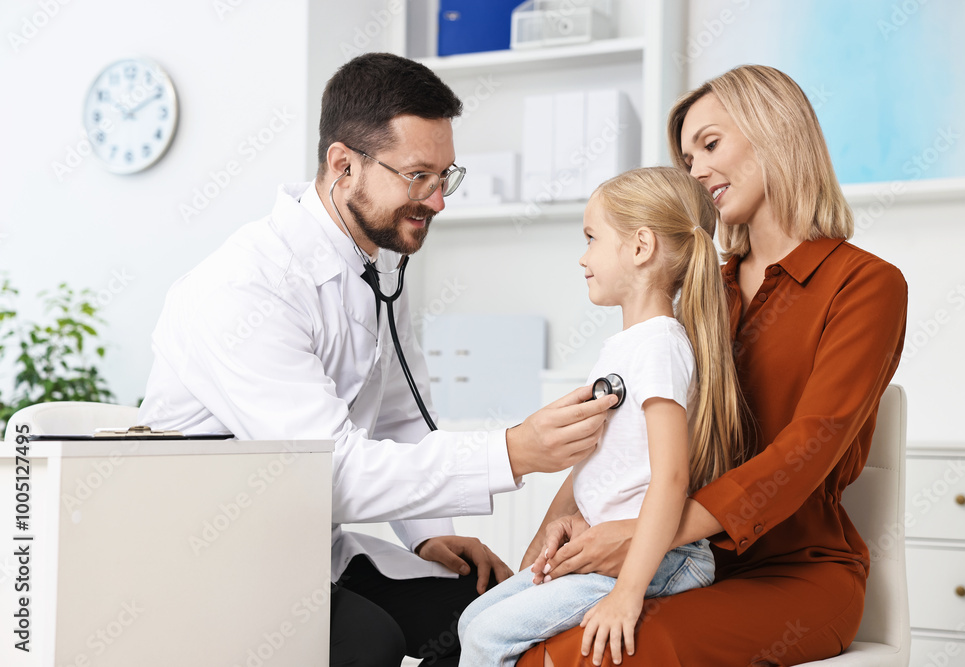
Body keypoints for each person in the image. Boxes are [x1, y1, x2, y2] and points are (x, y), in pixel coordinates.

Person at [136, 52, 616, 667]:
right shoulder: (242, 288)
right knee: (369, 642)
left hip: (310, 543)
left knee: (492, 612)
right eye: (419, 176)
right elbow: (326, 472)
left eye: (446, 176)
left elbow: (399, 417)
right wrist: (512, 450)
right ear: (344, 165)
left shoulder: (378, 264)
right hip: (218, 559)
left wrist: (429, 532)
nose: (439, 201)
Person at [517, 64, 908, 666]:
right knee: (534, 642)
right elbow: (640, 428)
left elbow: (806, 450)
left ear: (775, 132)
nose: (695, 170)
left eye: (710, 144)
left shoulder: (866, 286)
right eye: (686, 157)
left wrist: (646, 534)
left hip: (797, 577)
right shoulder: (703, 293)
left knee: (607, 653)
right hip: (684, 564)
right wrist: (563, 517)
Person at [456, 166, 746, 666]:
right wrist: (537, 555)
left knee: (487, 637)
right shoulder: (626, 347)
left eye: (592, 238)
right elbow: (596, 462)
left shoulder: (659, 346)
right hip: (606, 549)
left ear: (640, 247)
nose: (583, 257)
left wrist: (627, 595)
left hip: (658, 561)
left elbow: (672, 479)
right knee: (470, 621)